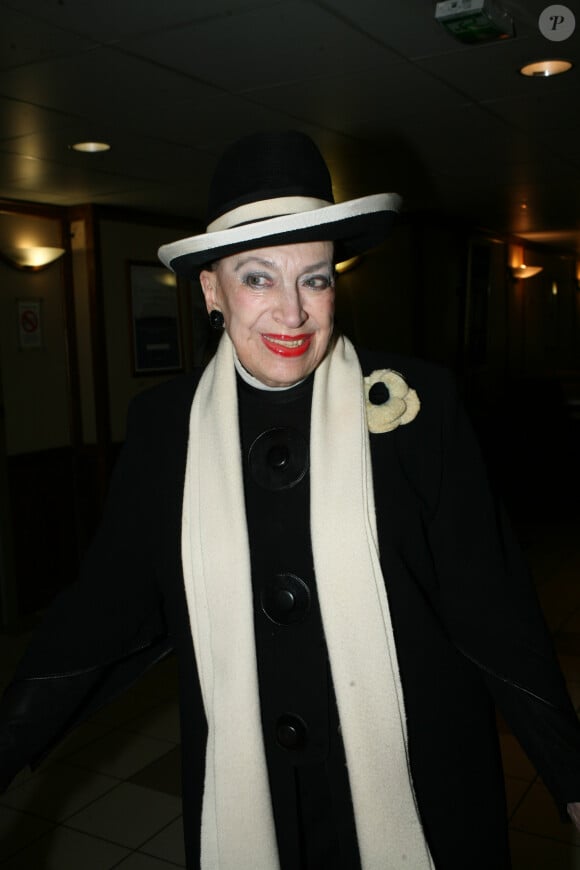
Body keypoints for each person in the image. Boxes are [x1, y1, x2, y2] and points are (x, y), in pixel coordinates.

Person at [1, 130, 580, 869]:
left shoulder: (416, 405)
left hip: (415, 774)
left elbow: (491, 599)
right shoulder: (161, 427)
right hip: (254, 793)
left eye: (314, 278)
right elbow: (105, 606)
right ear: (211, 289)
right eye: (257, 278)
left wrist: (570, 772)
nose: (293, 313)